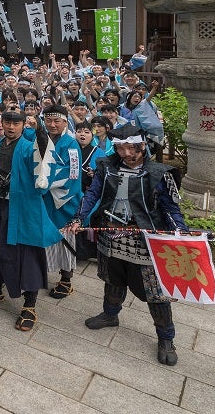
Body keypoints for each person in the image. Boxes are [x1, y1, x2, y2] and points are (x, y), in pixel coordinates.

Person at [65, 125, 188, 366]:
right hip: (110, 231)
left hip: (144, 236)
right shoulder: (106, 167)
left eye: (131, 148)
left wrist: (180, 231)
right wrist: (80, 217)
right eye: (120, 148)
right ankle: (110, 315)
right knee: (113, 278)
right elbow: (92, 194)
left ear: (143, 146)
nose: (126, 154)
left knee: (155, 292)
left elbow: (170, 208)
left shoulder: (159, 173)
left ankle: (166, 337)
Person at [0, 110, 58, 332]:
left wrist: (40, 129)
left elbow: (43, 154)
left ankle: (30, 305)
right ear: (1, 123)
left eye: (16, 123)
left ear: (24, 125)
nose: (11, 127)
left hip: (21, 207)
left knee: (25, 254)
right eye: (7, 122)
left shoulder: (29, 145)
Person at [40, 105, 83, 299]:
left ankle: (66, 279)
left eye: (57, 120)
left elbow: (72, 173)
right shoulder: (42, 139)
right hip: (43, 196)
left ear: (66, 122)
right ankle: (42, 271)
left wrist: (43, 181)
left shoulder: (71, 144)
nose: (52, 124)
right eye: (48, 120)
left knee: (64, 238)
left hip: (63, 198)